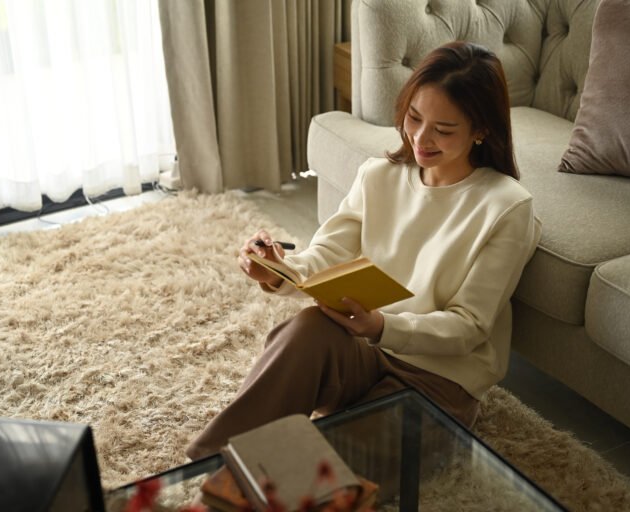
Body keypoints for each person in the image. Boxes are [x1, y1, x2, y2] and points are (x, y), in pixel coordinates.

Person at [186, 41, 541, 460]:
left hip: (438, 382)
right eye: (413, 117)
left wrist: (381, 327)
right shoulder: (379, 176)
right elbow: (327, 255)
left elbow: (470, 327)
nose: (420, 138)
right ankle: (208, 465)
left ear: (481, 130)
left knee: (316, 475)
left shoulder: (507, 208)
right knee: (309, 328)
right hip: (363, 358)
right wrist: (278, 270)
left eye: (443, 130)